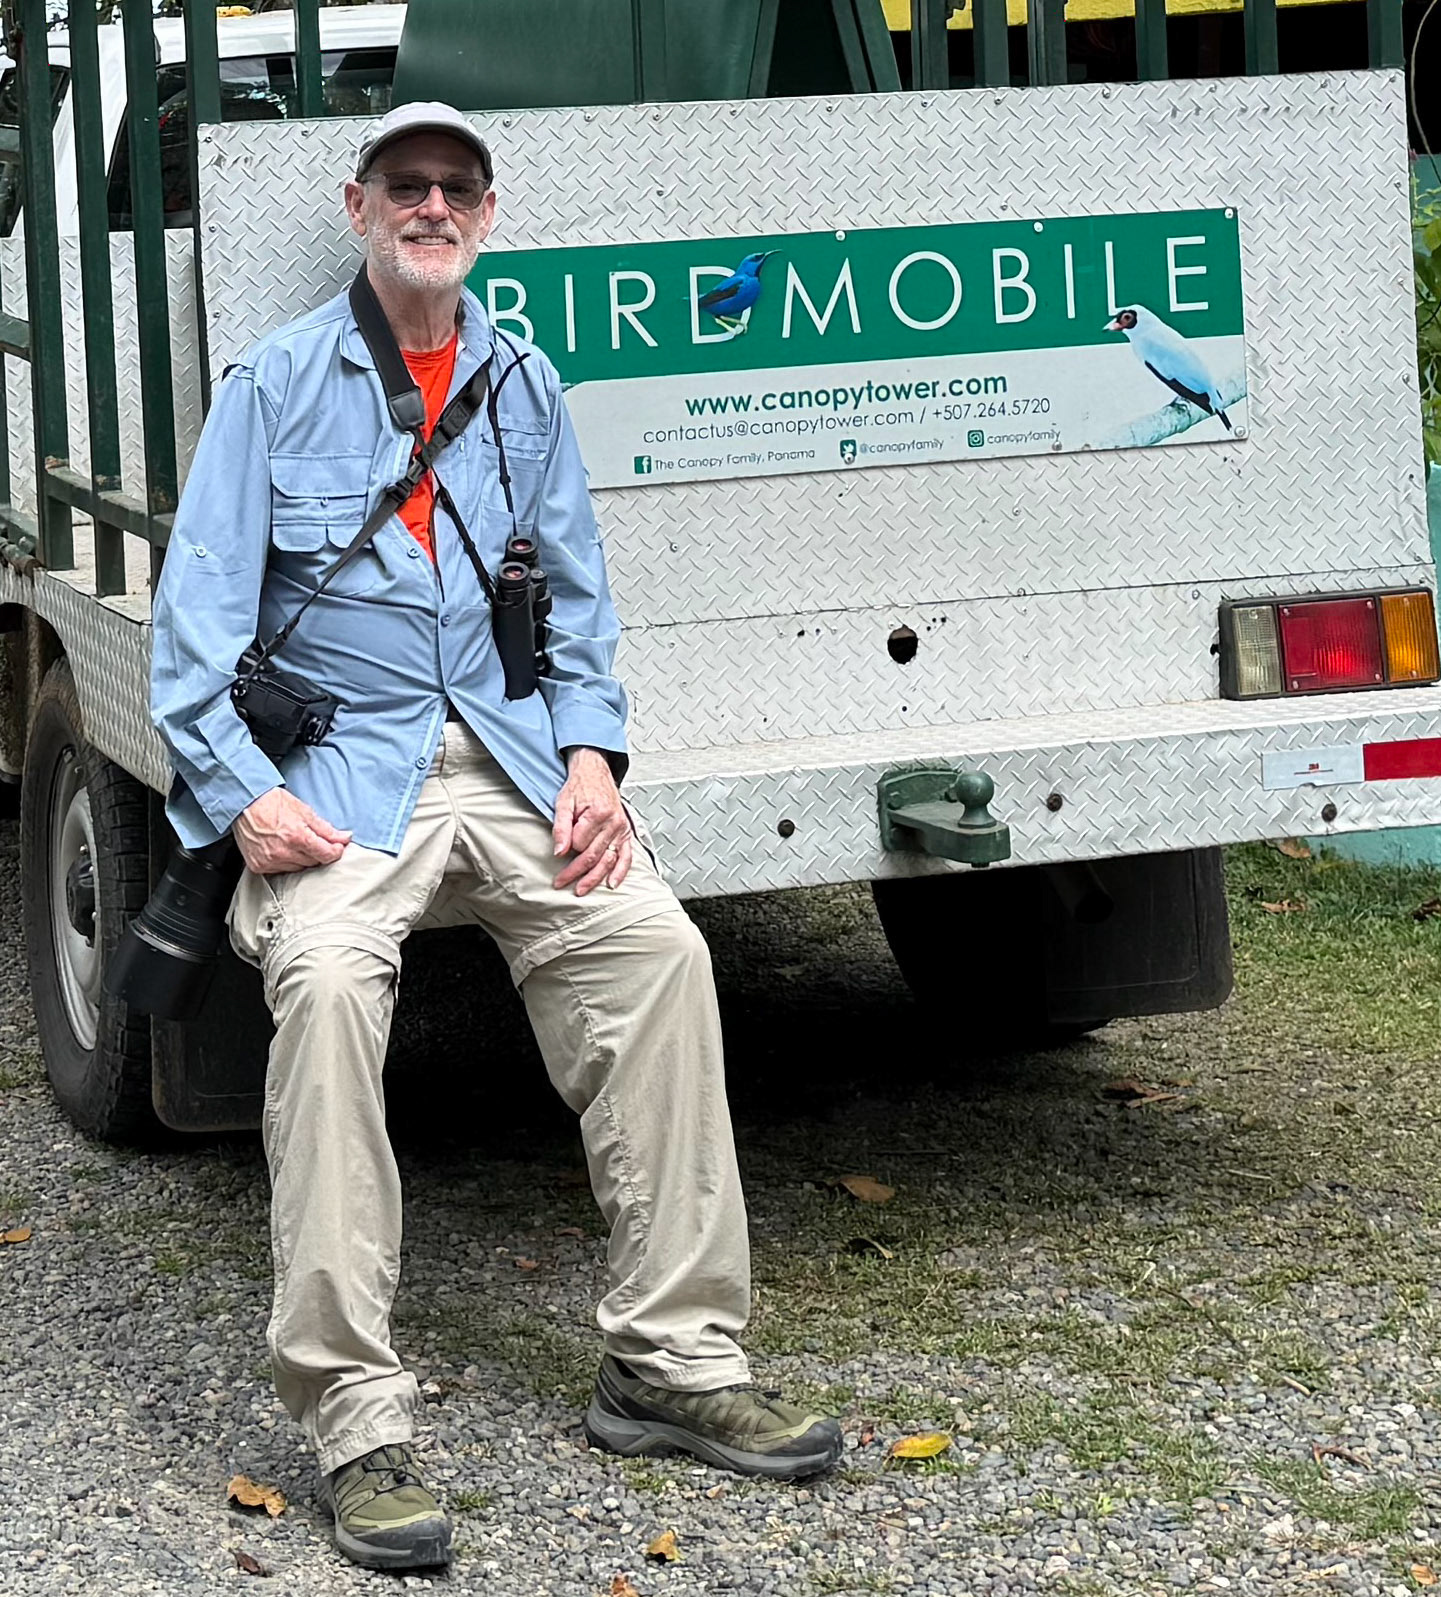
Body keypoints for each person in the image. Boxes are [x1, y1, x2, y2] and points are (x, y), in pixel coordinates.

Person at [149, 101, 842, 1572]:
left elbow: (575, 605)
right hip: (340, 771)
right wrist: (244, 793)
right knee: (330, 987)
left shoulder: (522, 382)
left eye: (456, 186)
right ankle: (353, 1416)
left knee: (659, 947)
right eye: (406, 183)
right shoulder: (272, 385)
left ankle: (671, 1360)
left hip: (514, 765)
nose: (432, 204)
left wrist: (591, 760)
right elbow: (189, 642)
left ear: (484, 213)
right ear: (358, 206)